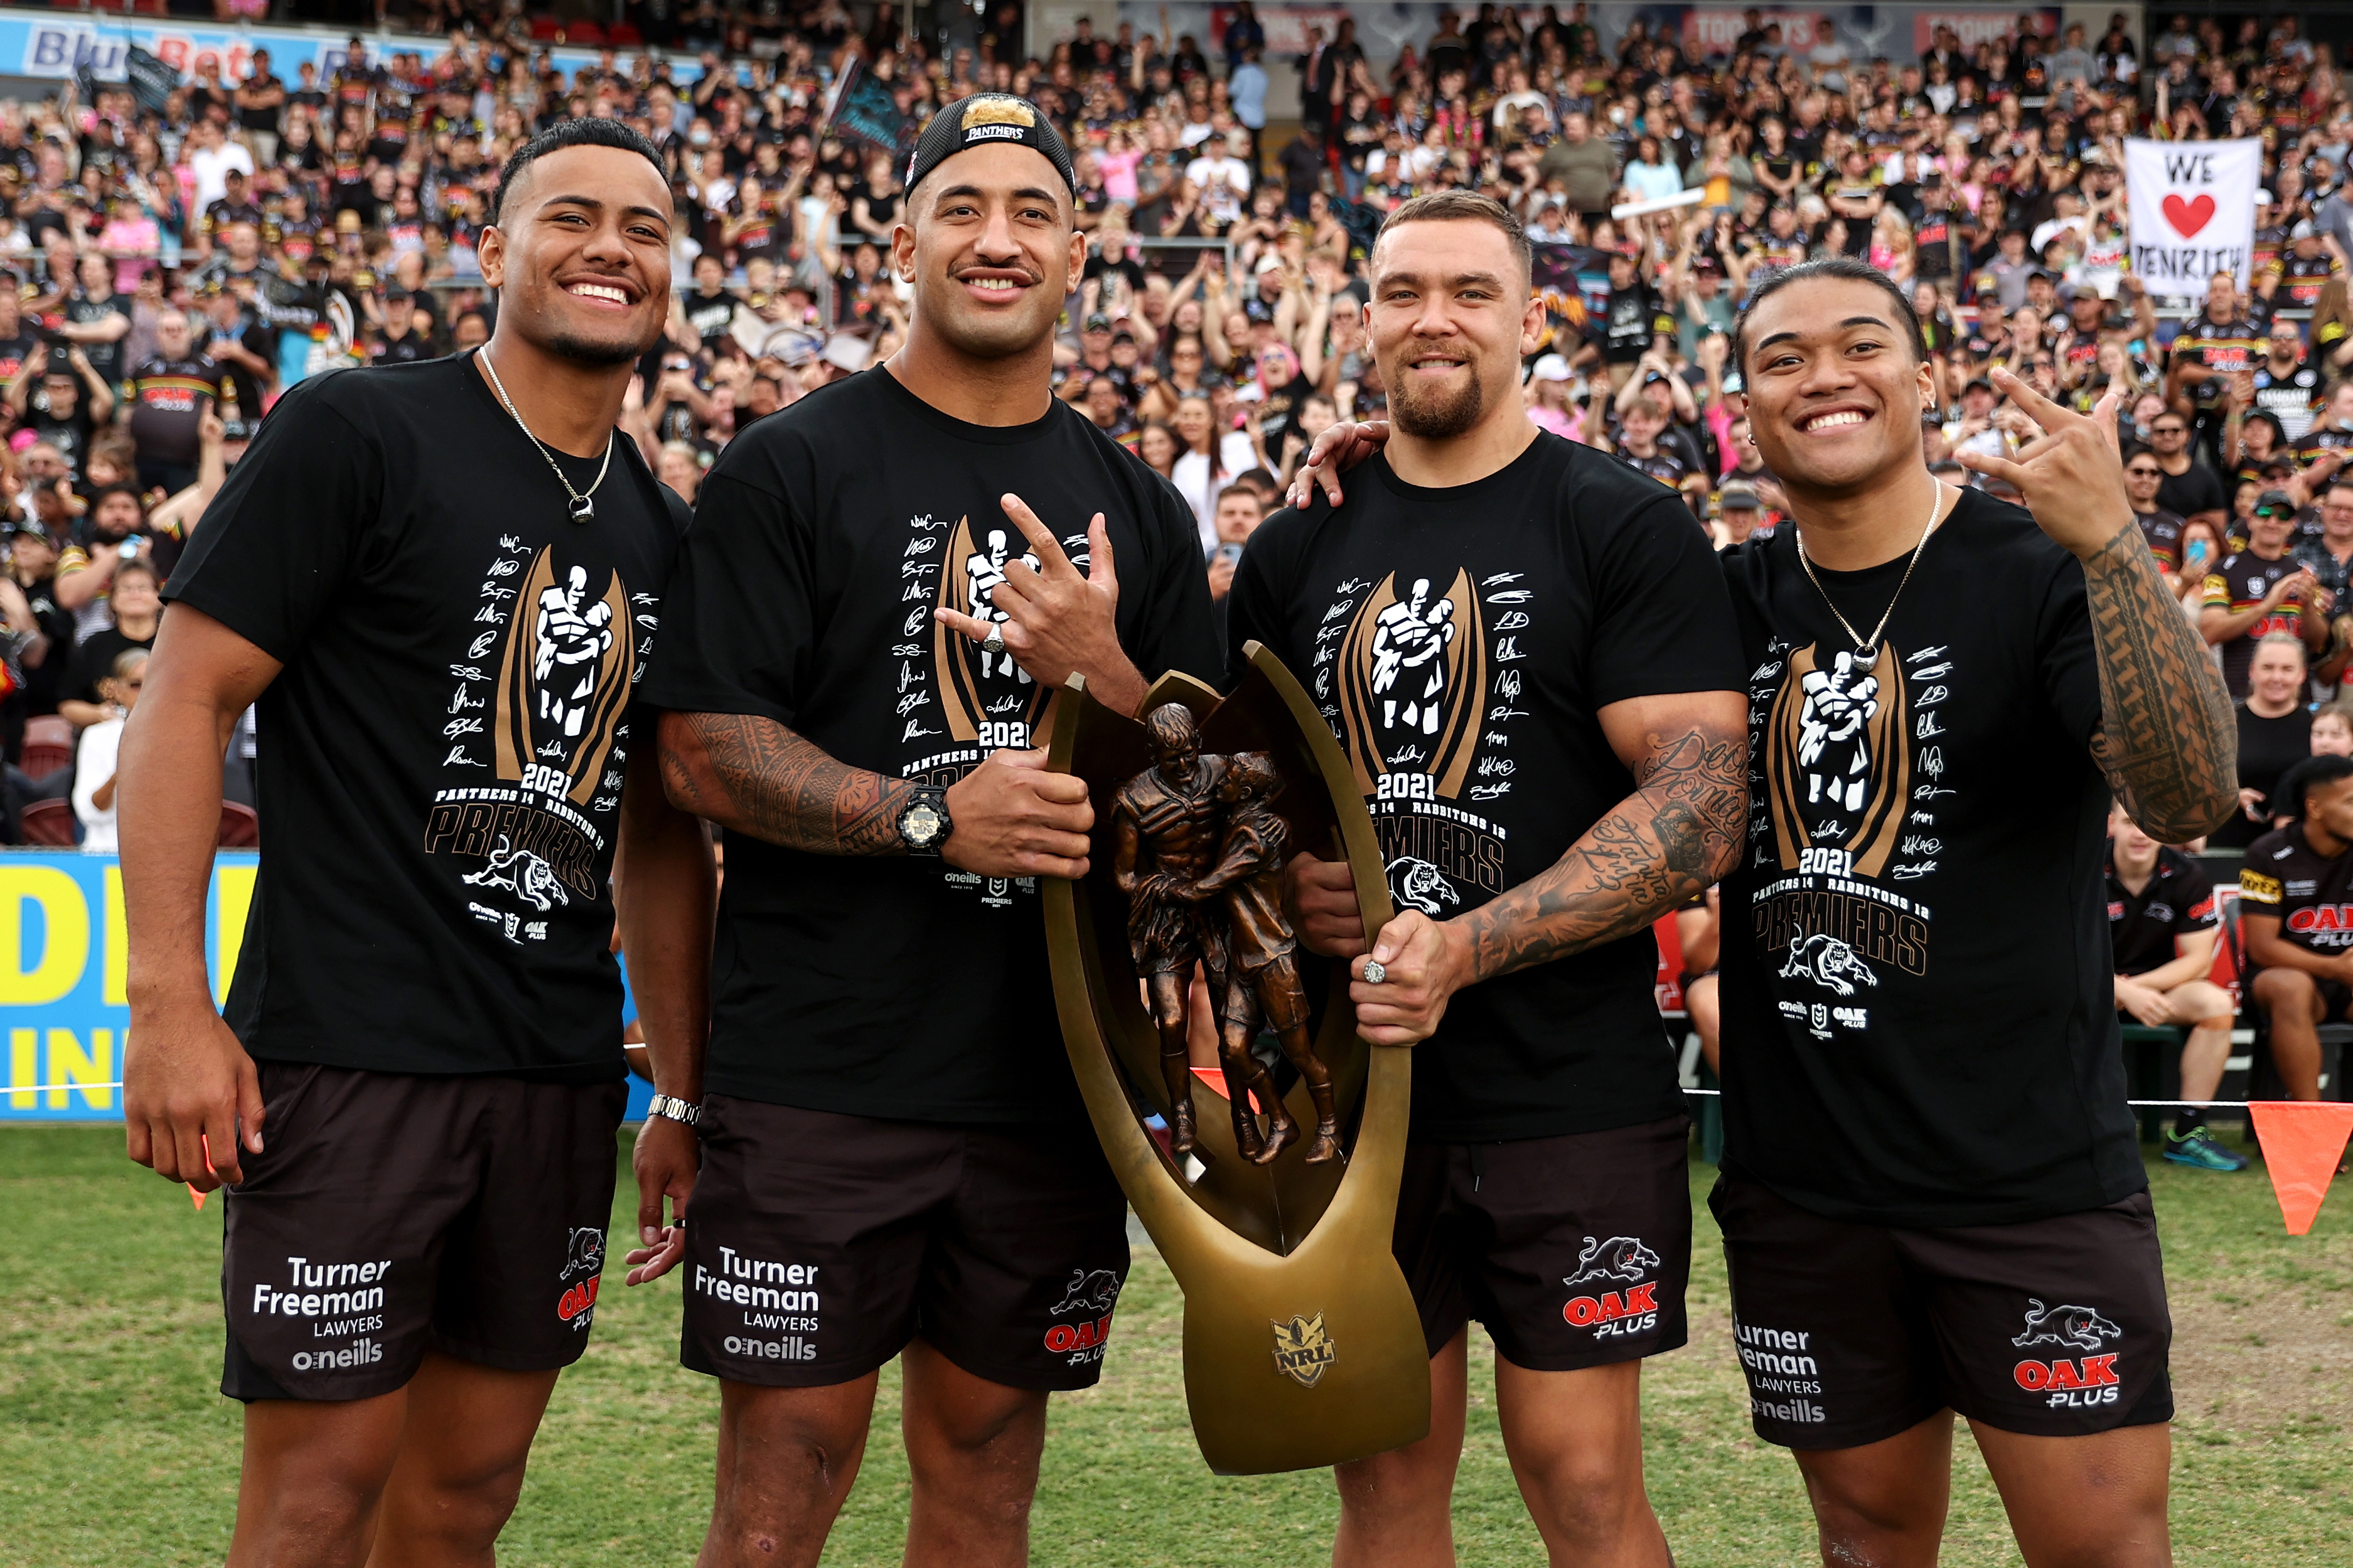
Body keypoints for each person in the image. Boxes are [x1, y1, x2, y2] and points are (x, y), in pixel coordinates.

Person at [117, 119, 716, 1567]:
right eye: (568, 216)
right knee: (315, 1499)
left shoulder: (660, 527)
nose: (607, 249)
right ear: (491, 247)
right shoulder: (359, 429)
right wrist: (167, 999)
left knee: (463, 1502)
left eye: (643, 230)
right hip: (349, 1061)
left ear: (673, 275)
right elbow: (186, 695)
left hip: (554, 1082)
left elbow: (653, 834)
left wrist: (683, 1097)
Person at [635, 95, 1219, 1568]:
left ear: (1082, 251)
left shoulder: (1140, 509)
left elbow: (1211, 807)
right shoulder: (790, 465)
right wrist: (922, 815)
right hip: (823, 1075)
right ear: (900, 244)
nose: (997, 237)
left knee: (982, 1477)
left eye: (1032, 210)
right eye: (961, 207)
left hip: (1050, 1084)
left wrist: (1105, 676)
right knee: (781, 1485)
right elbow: (702, 750)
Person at [1244, 191, 1748, 1568]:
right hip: (1359, 1095)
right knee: (1383, 1480)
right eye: (1402, 291)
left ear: (1528, 320)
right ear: (1360, 323)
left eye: (1469, 291)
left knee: (1579, 1480)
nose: (1433, 318)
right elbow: (1246, 792)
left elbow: (1701, 812)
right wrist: (1291, 879)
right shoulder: (1297, 544)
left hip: (1565, 1087)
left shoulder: (1620, 523)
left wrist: (1462, 945)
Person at [1719, 259, 2232, 1565]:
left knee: (2100, 1550)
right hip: (1803, 1190)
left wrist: (2112, 541)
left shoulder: (2037, 565)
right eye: (1779, 357)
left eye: (1858, 343)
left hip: (2025, 1179)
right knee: (1862, 1543)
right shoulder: (1718, 598)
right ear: (1741, 406)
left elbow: (2185, 797)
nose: (1822, 374)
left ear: (1923, 376)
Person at [2104, 804, 2243, 1172]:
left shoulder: (2186, 875)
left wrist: (2132, 990)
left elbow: (2198, 961)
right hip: (2086, 985)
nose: (2140, 834)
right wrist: (2116, 989)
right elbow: (2060, 952)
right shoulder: (2082, 869)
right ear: (2110, 825)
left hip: (2157, 987)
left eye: (2149, 823)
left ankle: (2187, 1133)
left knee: (2215, 1004)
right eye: (2130, 822)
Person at [2240, 754, 2353, 1106]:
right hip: (2286, 980)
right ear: (2315, 808)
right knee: (2291, 987)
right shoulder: (2267, 854)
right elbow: (2261, 947)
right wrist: (2336, 968)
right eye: (2351, 801)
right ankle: (2312, 1129)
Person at [2200, 490, 2330, 699]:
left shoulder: (2305, 572)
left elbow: (2318, 643)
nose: (2273, 522)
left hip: (2296, 698)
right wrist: (2268, 604)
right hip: (2241, 696)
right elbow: (2210, 632)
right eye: (2265, 514)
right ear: (2250, 520)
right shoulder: (2223, 569)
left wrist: (2307, 606)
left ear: (2293, 525)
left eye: (2283, 517)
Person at [70, 646, 145, 852]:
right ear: (118, 691)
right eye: (136, 684)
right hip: (105, 851)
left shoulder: (179, 737)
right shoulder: (97, 736)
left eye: (153, 683)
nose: (146, 691)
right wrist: (118, 777)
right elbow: (88, 810)